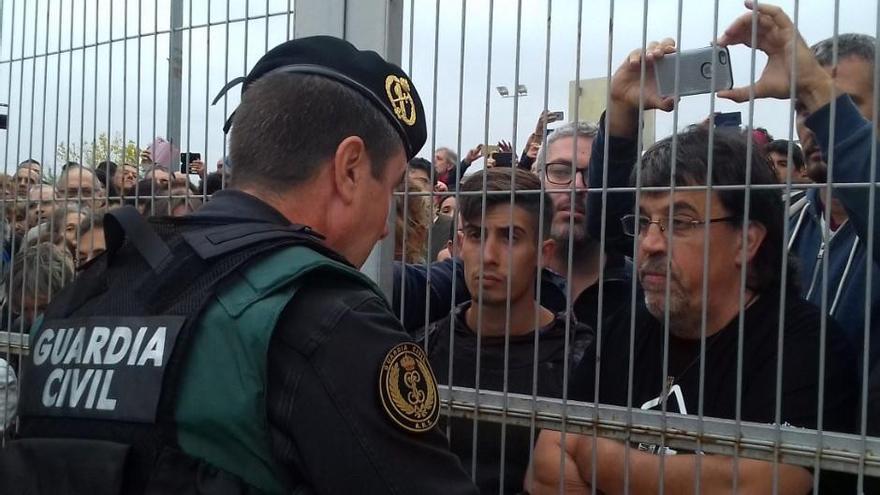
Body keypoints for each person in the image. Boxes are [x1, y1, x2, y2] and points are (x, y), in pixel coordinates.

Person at [3, 36, 477, 494]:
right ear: (350, 168)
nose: (383, 227)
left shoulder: (88, 292)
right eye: (391, 187)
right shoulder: (324, 317)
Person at [530, 37, 858, 495]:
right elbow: (545, 463)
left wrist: (592, 455)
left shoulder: (801, 343)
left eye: (680, 222)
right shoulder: (629, 324)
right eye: (643, 221)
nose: (649, 243)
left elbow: (765, 483)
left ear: (747, 239)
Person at [424, 168, 592, 494]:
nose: (488, 256)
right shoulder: (425, 348)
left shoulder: (582, 359)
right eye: (475, 235)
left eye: (510, 237)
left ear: (544, 254)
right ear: (459, 246)